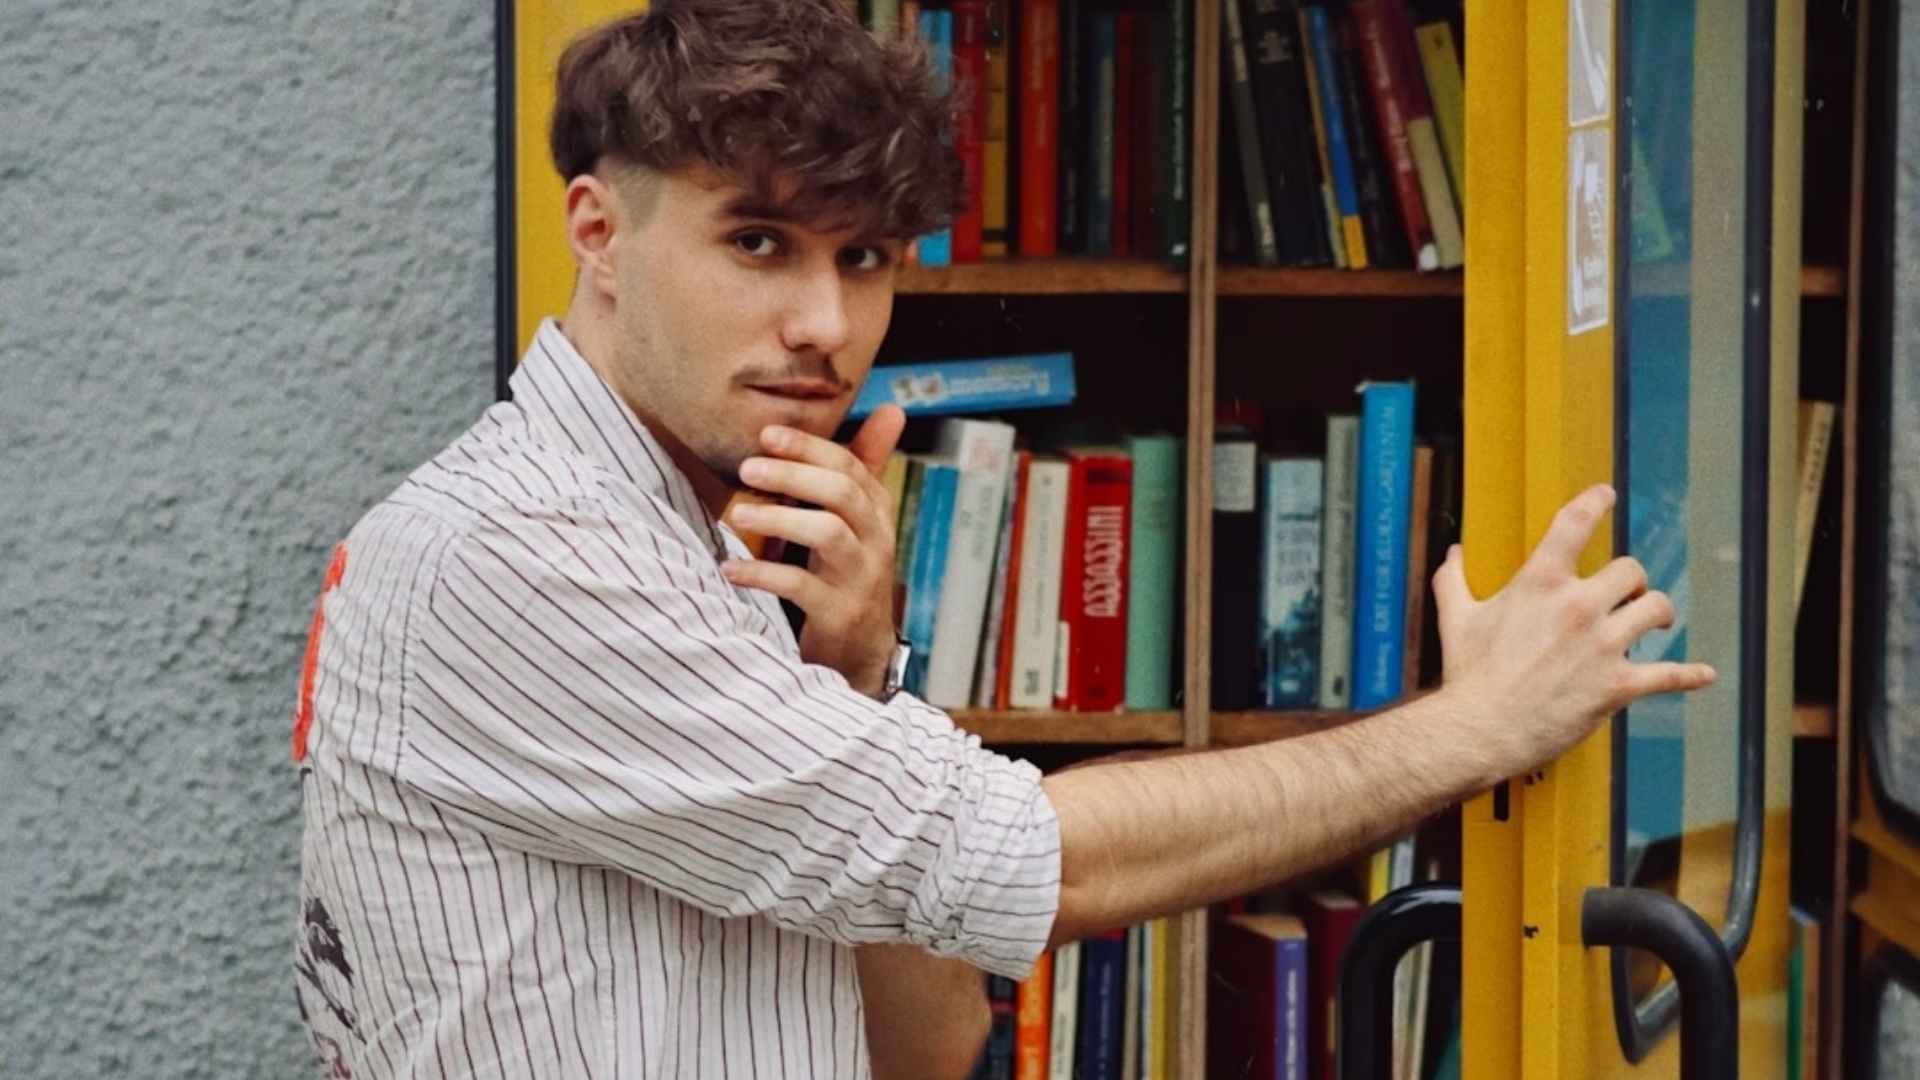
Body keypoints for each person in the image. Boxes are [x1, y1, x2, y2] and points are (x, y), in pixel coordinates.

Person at [290, 1, 1714, 1076]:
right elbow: (1050, 867)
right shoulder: (523, 552)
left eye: (866, 260)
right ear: (597, 231)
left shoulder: (704, 541)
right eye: (761, 243)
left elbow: (926, 1046)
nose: (828, 328)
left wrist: (851, 677)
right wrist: (1479, 726)